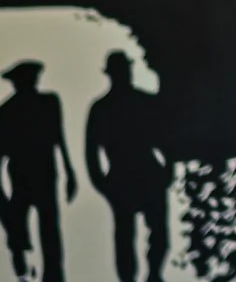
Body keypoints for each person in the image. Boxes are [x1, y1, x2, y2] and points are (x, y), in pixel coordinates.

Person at [85, 53, 169, 282]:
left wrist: (168, 168)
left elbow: (165, 138)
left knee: (151, 232)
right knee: (127, 235)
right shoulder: (104, 108)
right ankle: (135, 277)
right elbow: (91, 152)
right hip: (126, 175)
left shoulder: (111, 106)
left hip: (142, 172)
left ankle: (153, 274)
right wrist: (101, 183)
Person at [0, 61, 75, 282]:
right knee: (24, 230)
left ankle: (47, 275)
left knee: (46, 230)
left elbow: (59, 137)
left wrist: (69, 171)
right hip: (28, 175)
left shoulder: (45, 103)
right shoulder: (9, 111)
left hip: (42, 173)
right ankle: (25, 272)